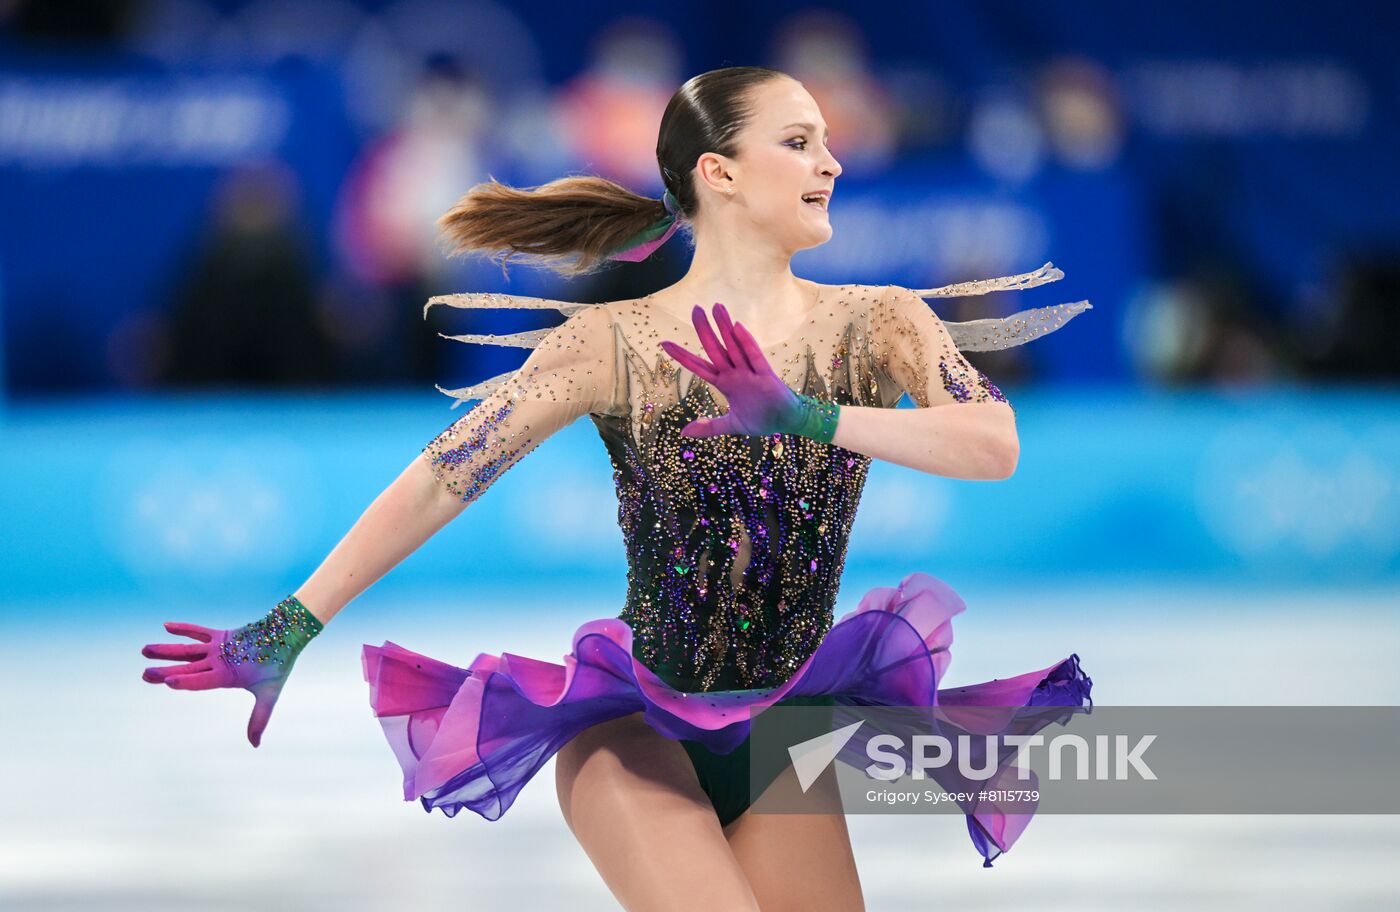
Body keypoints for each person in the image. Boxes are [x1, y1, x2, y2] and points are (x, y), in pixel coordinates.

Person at [141, 66, 1094, 911]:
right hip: (634, 729)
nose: (831, 163)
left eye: (829, 144)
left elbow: (992, 442)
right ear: (719, 173)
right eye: (799, 143)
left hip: (783, 729)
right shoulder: (613, 342)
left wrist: (805, 417)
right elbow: (444, 478)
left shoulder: (877, 321)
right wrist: (291, 625)